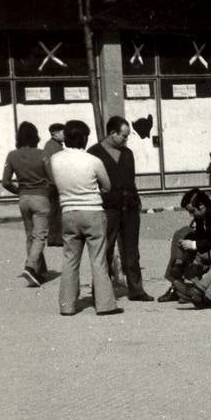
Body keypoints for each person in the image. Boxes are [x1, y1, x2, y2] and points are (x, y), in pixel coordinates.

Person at [51, 119, 118, 316]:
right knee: (98, 259)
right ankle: (105, 304)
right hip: (92, 212)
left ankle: (67, 305)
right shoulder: (93, 161)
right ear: (85, 138)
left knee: (70, 259)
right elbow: (107, 186)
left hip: (68, 213)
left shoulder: (55, 160)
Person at [89, 115, 152, 300]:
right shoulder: (94, 153)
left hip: (130, 207)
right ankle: (100, 291)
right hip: (108, 209)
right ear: (112, 133)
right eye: (123, 136)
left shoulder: (127, 153)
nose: (126, 139)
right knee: (105, 250)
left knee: (132, 250)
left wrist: (136, 202)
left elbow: (130, 180)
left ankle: (136, 290)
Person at [1, 121, 52, 286]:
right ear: (35, 136)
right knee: (40, 236)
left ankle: (39, 272)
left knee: (30, 236)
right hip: (41, 198)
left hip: (23, 199)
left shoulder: (12, 155)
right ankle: (30, 267)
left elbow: (5, 182)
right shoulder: (43, 154)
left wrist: (19, 192)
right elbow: (52, 178)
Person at [43, 122, 66, 247]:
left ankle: (55, 237)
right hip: (55, 184)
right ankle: (56, 237)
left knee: (55, 211)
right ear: (55, 133)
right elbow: (51, 167)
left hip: (53, 183)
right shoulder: (54, 147)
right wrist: (57, 182)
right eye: (63, 132)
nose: (65, 135)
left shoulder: (51, 145)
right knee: (56, 211)